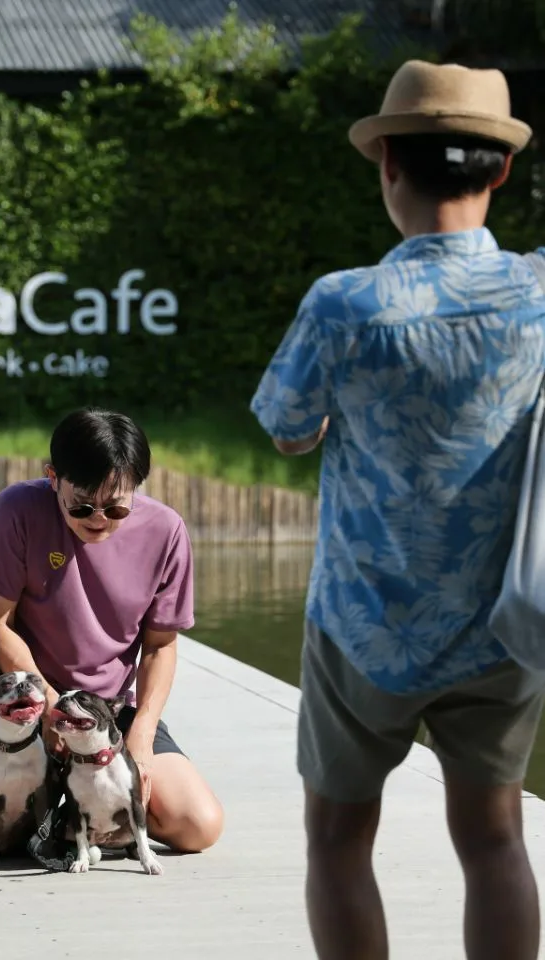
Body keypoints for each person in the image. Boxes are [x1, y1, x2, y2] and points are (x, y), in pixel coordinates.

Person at [251, 59, 545, 960]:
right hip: (501, 625)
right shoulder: (539, 294)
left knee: (337, 840)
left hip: (361, 626)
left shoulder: (343, 304)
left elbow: (287, 430)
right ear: (500, 170)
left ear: (387, 164)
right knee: (493, 838)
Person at [0, 406, 224, 864]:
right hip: (22, 686)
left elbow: (160, 646)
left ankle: (69, 822)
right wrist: (49, 705)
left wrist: (142, 738)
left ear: (137, 486)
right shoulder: (17, 509)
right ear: (53, 477)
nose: (99, 518)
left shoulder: (166, 530)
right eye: (82, 505)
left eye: (116, 507)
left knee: (198, 825)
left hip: (105, 708)